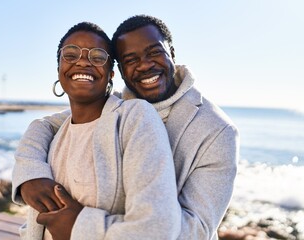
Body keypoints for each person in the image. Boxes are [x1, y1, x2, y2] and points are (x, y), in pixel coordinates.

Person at [12, 15, 239, 239]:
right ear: (118, 71)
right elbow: (46, 125)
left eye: (154, 52)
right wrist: (30, 174)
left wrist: (80, 227)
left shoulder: (217, 130)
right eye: (130, 59)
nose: (145, 65)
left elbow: (197, 229)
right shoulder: (117, 107)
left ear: (172, 53)